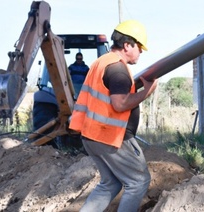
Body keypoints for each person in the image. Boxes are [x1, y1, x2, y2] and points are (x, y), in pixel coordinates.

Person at [69, 20, 158, 212]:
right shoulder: (118, 69)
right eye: (139, 47)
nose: (141, 52)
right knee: (138, 182)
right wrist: (146, 93)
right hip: (110, 137)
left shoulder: (101, 62)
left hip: (91, 135)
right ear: (127, 45)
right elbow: (120, 104)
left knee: (110, 183)